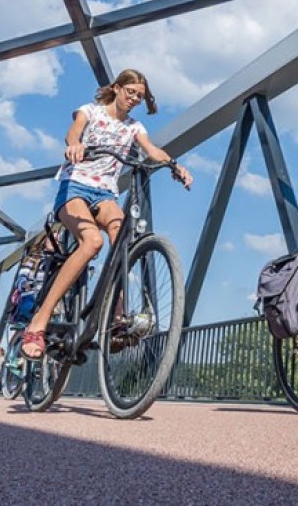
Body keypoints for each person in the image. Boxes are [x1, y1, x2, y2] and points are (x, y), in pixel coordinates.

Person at [20, 68, 192, 359]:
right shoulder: (90, 111)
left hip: (105, 194)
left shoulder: (134, 127)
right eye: (131, 92)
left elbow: (151, 150)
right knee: (92, 243)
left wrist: (175, 165)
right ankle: (39, 321)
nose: (135, 99)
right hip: (75, 188)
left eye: (140, 95)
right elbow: (73, 131)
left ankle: (116, 316)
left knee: (124, 239)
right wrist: (74, 144)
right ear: (117, 88)